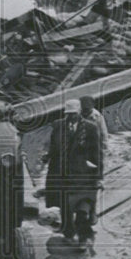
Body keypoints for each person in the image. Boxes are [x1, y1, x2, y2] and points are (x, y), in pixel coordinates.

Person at [44, 99, 102, 242]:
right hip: (61, 172)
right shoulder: (58, 126)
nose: (71, 117)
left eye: (74, 114)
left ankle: (84, 234)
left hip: (81, 173)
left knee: (82, 205)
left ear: (79, 113)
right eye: (68, 114)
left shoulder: (90, 128)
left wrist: (98, 175)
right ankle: (68, 233)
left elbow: (97, 153)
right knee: (64, 204)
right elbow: (52, 147)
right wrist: (47, 156)